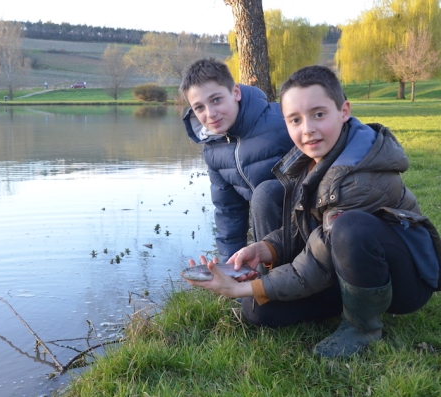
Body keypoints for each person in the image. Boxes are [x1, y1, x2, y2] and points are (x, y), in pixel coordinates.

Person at [186, 65, 441, 357]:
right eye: (295, 119)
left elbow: (318, 258)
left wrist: (241, 288)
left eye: (319, 114)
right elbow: (304, 228)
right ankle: (333, 299)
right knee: (258, 312)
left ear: (344, 110)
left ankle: (362, 326)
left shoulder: (358, 173)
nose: (307, 129)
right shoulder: (306, 159)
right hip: (341, 266)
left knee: (350, 227)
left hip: (401, 283)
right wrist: (263, 248)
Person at [180, 58, 294, 263]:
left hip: (311, 219)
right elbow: (229, 211)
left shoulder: (282, 119)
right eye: (199, 107)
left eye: (216, 100)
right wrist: (230, 269)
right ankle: (261, 279)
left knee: (265, 193)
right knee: (243, 289)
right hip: (269, 237)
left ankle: (277, 279)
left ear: (236, 93)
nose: (210, 114)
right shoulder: (213, 149)